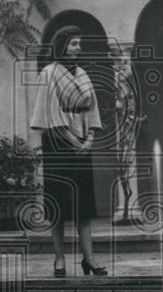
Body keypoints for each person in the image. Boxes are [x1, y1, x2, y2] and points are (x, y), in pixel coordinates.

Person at [29, 25, 106, 277]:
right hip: (58, 145)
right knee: (60, 205)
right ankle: (60, 259)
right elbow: (49, 112)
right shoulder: (49, 73)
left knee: (83, 205)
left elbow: (91, 108)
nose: (78, 48)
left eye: (79, 43)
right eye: (74, 43)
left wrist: (90, 137)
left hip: (82, 143)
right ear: (63, 45)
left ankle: (89, 259)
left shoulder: (82, 74)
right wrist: (73, 140)